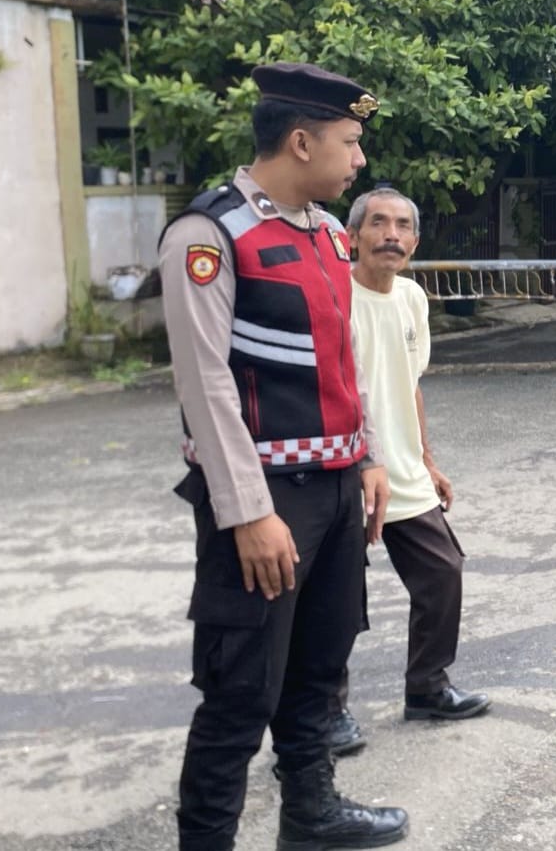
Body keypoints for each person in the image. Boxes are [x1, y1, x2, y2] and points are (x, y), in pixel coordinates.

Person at [158, 62, 407, 851]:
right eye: (349, 142)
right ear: (301, 142)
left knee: (318, 672)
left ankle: (311, 814)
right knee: (240, 689)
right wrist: (248, 512)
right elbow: (205, 384)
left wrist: (366, 456)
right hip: (264, 500)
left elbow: (342, 359)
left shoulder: (328, 234)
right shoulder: (210, 235)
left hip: (334, 490)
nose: (359, 159)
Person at [322, 186, 491, 756]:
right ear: (353, 236)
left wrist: (427, 460)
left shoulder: (413, 298)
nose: (390, 235)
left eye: (401, 226)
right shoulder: (334, 296)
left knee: (443, 572)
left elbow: (410, 384)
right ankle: (326, 711)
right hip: (345, 468)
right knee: (336, 598)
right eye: (378, 223)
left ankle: (427, 687)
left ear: (415, 242)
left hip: (403, 469)